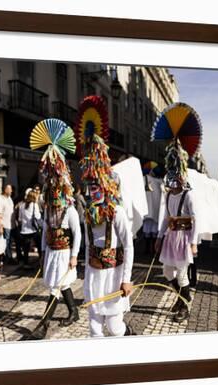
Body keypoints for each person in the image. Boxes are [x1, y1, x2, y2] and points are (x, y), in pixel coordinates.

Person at [76, 96, 134, 338]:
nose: (93, 191)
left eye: (97, 186)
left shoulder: (117, 212)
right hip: (93, 274)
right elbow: (88, 243)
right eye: (90, 187)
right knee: (94, 327)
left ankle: (127, 336)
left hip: (113, 274)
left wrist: (127, 280)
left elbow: (128, 245)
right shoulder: (86, 211)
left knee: (114, 327)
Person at [28, 118, 82, 340]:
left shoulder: (70, 210)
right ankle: (74, 311)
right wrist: (42, 252)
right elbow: (44, 232)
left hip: (64, 253)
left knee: (56, 288)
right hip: (51, 251)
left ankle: (44, 324)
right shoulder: (49, 210)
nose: (54, 198)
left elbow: (77, 233)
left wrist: (74, 256)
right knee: (60, 284)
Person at [154, 139, 198, 323]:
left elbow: (197, 220)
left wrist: (194, 242)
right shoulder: (169, 194)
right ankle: (182, 299)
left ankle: (184, 306)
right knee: (167, 272)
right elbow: (165, 218)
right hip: (171, 238)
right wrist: (158, 237)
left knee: (181, 274)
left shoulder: (189, 195)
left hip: (183, 239)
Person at [18, 189, 42, 269]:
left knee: (26, 248)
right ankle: (41, 261)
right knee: (39, 245)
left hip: (24, 230)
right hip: (33, 229)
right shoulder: (34, 205)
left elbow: (20, 219)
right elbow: (37, 217)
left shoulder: (21, 205)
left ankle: (26, 263)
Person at [0, 183, 17, 264]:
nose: (11, 191)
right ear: (5, 190)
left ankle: (9, 256)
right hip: (5, 225)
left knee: (10, 242)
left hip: (12, 224)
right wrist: (0, 227)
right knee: (6, 242)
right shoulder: (0, 199)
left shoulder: (9, 198)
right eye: (9, 189)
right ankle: (8, 258)